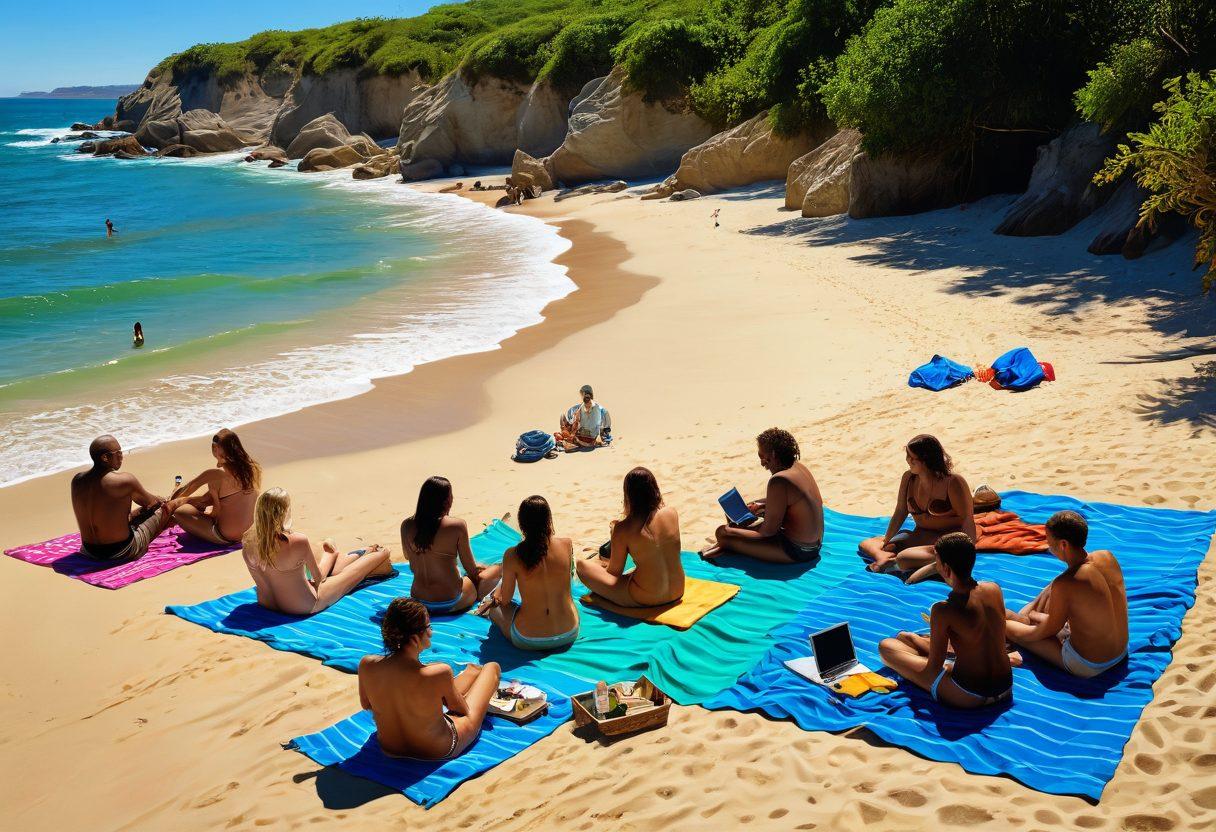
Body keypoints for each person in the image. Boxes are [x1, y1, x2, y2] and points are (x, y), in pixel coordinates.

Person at [879, 533, 1014, 708]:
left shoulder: (943, 610)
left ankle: (913, 640)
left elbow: (933, 668)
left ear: (946, 568)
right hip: (1005, 688)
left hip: (969, 695)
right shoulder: (994, 589)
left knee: (887, 647)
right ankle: (915, 640)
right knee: (911, 641)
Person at [359, 598, 500, 760]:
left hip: (390, 747)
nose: (431, 632)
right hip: (438, 749)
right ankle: (476, 676)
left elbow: (367, 704)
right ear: (415, 638)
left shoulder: (367, 665)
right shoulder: (439, 672)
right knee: (492, 668)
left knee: (464, 674)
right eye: (428, 627)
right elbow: (462, 710)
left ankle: (471, 673)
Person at [1004, 511, 1129, 678]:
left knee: (1002, 622)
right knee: (1052, 588)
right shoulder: (1107, 556)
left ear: (1063, 544)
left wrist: (1018, 633)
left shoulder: (1067, 583)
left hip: (1091, 665)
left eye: (1049, 542)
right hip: (1121, 652)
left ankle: (1023, 619)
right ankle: (1030, 615)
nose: (1048, 547)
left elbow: (1043, 633)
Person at [242, 487, 393, 615]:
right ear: (282, 513)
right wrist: (327, 558)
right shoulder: (297, 541)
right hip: (304, 606)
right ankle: (382, 552)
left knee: (328, 564)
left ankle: (337, 554)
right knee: (353, 574)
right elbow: (319, 578)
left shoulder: (247, 542)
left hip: (267, 605)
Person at [700, 428, 824, 563]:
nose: (762, 463)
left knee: (722, 533)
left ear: (774, 455)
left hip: (799, 551)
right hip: (814, 543)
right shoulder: (798, 467)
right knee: (744, 521)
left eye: (762, 456)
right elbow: (790, 499)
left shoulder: (779, 480)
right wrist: (760, 505)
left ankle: (726, 544)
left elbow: (767, 532)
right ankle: (729, 542)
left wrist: (729, 531)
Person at [859, 434, 975, 576]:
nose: (908, 460)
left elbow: (967, 519)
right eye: (907, 456)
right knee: (867, 544)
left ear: (926, 460)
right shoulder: (909, 478)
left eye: (912, 457)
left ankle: (899, 562)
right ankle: (884, 558)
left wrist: (966, 551)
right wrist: (886, 542)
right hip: (919, 535)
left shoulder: (952, 482)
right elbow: (901, 511)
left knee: (905, 557)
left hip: (946, 540)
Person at [576, 467, 684, 607]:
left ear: (629, 496)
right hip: (678, 590)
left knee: (582, 566)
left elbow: (614, 573)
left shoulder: (624, 528)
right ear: (654, 488)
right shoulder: (671, 513)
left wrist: (615, 536)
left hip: (647, 597)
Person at [482, 496, 579, 650]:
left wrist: (494, 598)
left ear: (522, 524)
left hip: (529, 639)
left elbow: (505, 600)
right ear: (549, 519)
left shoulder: (513, 555)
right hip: (569, 632)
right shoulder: (566, 545)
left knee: (494, 609)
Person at [70, 435, 182, 560]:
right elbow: (151, 503)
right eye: (118, 453)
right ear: (105, 458)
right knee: (167, 506)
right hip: (121, 551)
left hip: (88, 551)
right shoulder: (123, 481)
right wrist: (161, 499)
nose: (121, 456)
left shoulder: (77, 480)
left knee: (137, 513)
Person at [401, 476, 501, 615]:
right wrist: (480, 571)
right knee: (497, 569)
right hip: (451, 600)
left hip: (418, 599)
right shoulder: (456, 526)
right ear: (447, 500)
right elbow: (471, 570)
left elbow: (408, 557)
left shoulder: (406, 525)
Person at [170, 428, 260, 545]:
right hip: (248, 532)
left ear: (215, 449)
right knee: (199, 502)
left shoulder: (214, 476)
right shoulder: (254, 469)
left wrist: (202, 515)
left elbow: (215, 513)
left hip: (225, 536)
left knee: (179, 511)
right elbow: (232, 499)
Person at [555, 384, 611, 451]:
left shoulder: (579, 408)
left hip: (582, 439)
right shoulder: (600, 408)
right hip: (593, 439)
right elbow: (606, 422)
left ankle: (570, 442)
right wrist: (604, 431)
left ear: (583, 394)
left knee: (562, 418)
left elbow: (573, 422)